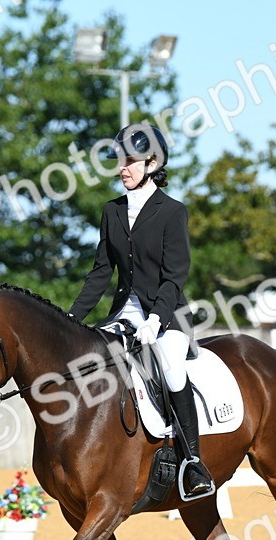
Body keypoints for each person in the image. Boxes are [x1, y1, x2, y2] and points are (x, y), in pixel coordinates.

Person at [69, 122, 214, 498]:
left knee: (169, 366)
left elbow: (175, 276)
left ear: (152, 163)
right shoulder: (112, 211)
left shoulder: (172, 212)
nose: (123, 168)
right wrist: (71, 319)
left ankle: (193, 462)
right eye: (120, 160)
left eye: (130, 161)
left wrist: (155, 320)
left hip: (167, 315)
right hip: (125, 312)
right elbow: (101, 272)